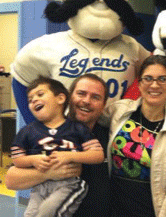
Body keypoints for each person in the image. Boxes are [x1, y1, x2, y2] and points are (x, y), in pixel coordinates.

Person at [10, 0, 150, 124]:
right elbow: (20, 80)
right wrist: (37, 125)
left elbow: (155, 77)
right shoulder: (45, 45)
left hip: (116, 134)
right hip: (66, 134)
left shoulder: (132, 47)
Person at [5, 73, 111, 217]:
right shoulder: (39, 132)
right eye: (81, 94)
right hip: (47, 198)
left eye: (95, 97)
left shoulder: (110, 136)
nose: (86, 101)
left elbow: (99, 156)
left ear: (104, 105)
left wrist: (71, 155)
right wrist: (49, 173)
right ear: (69, 96)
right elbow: (11, 180)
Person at [105, 55, 166, 217]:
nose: (154, 85)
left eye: (162, 79)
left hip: (150, 211)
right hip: (111, 210)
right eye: (148, 78)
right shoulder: (119, 111)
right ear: (139, 84)